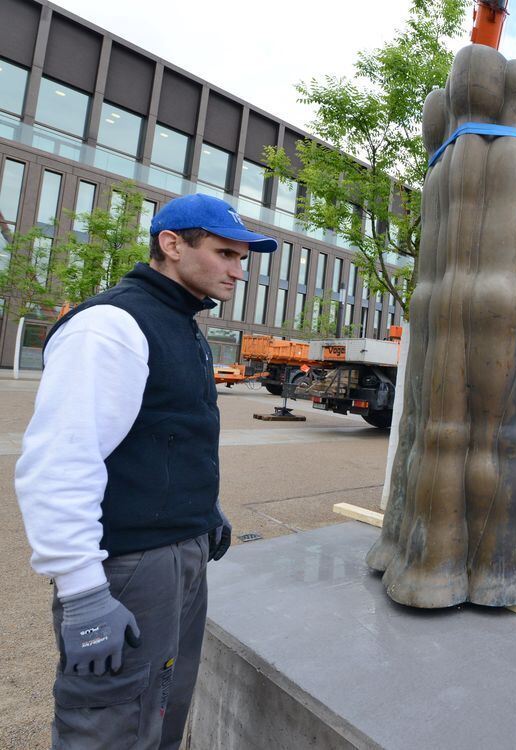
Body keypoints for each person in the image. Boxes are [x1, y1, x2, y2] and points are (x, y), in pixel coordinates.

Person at [16, 193, 277, 748]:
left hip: (179, 551)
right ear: (172, 244)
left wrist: (198, 511)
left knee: (160, 714)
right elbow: (61, 462)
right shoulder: (112, 325)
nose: (237, 271)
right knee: (112, 724)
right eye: (226, 254)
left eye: (243, 260)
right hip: (128, 565)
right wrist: (84, 594)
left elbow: (164, 436)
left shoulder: (179, 321)